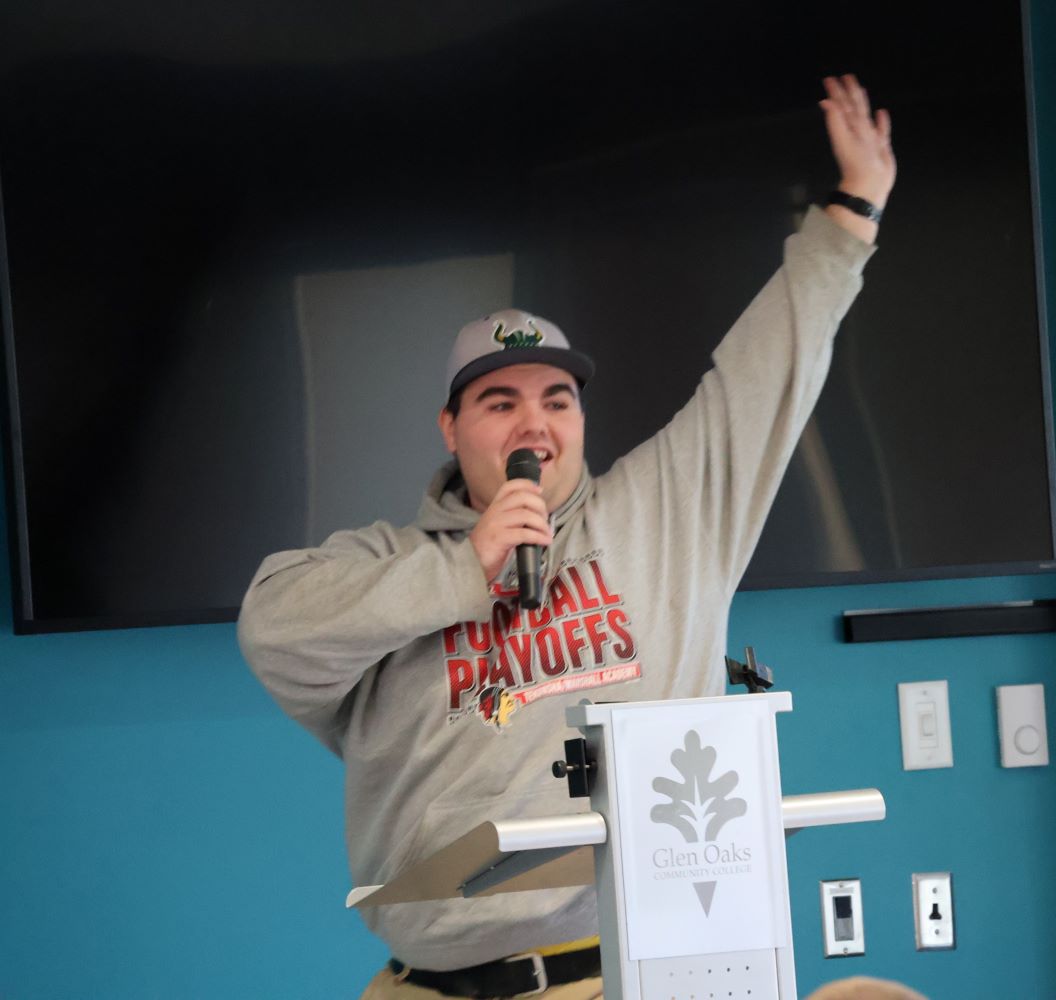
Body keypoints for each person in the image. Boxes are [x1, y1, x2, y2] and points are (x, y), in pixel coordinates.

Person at [239, 74, 895, 1000]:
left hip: (622, 974)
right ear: (450, 428)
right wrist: (469, 572)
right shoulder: (381, 570)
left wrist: (853, 212)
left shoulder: (665, 513)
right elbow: (273, 627)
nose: (532, 425)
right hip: (433, 986)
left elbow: (766, 370)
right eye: (499, 402)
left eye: (556, 400)